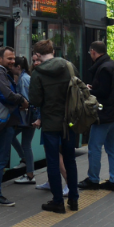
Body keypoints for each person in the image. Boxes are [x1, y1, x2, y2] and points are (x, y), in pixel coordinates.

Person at [28, 39, 79, 214]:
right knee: (70, 161)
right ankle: (74, 198)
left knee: (53, 162)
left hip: (50, 123)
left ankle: (58, 201)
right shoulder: (69, 66)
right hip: (69, 123)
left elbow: (35, 100)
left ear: (37, 55)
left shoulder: (37, 73)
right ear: (53, 51)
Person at [78, 41, 114, 192]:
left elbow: (104, 93)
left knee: (94, 147)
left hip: (105, 114)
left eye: (90, 53)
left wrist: (88, 90)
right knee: (112, 148)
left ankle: (93, 179)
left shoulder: (103, 69)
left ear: (93, 52)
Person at [0, 46, 29, 206]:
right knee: (1, 159)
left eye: (13, 58)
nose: (12, 61)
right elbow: (8, 94)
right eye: (9, 58)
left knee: (0, 158)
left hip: (1, 121)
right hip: (4, 122)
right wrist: (22, 100)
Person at [12, 56, 39, 185]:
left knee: (13, 137)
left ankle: (29, 174)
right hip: (29, 118)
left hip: (26, 119)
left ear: (18, 67)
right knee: (25, 144)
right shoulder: (26, 77)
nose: (11, 68)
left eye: (13, 65)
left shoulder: (23, 79)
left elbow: (26, 102)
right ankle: (29, 170)